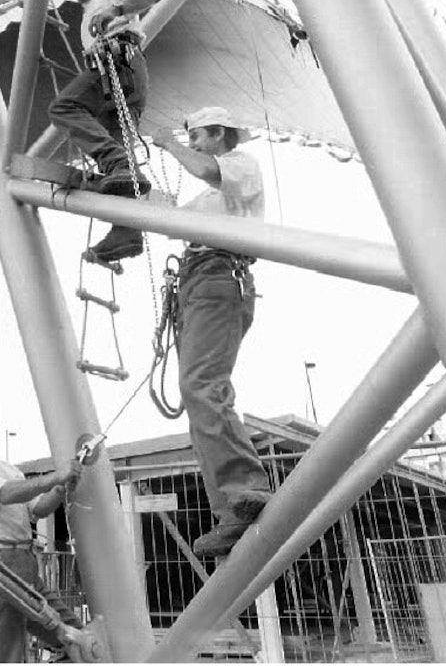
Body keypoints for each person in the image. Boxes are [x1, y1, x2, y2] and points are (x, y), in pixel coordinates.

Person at [151, 107, 273, 557]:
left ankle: (246, 489)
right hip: (198, 280)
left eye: (198, 136)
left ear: (220, 134)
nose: (194, 143)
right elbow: (170, 220)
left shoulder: (240, 166)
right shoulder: (208, 202)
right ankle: (230, 507)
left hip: (220, 275)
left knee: (201, 384)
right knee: (196, 390)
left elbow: (206, 168)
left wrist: (169, 144)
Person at [0, 396, 83, 662]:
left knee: (75, 637)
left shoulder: (9, 469)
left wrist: (61, 486)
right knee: (4, 656)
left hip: (24, 565)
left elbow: (37, 509)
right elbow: (5, 495)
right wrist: (55, 476)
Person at [49, 0, 163, 262]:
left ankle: (118, 165)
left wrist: (117, 9)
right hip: (116, 73)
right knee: (118, 151)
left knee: (64, 107)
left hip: (119, 63)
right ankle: (126, 232)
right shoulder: (86, 19)